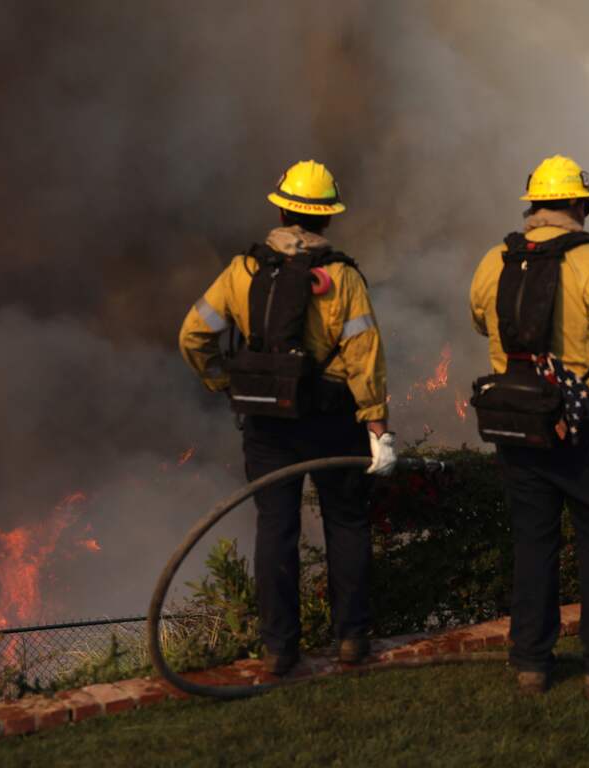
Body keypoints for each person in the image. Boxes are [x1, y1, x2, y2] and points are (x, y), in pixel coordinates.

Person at [179, 160, 395, 675]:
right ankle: (352, 641)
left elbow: (193, 335)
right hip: (330, 418)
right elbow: (365, 355)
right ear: (327, 219)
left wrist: (223, 382)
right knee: (346, 522)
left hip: (267, 421)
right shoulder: (341, 277)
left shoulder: (243, 271)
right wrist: (377, 425)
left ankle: (278, 649)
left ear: (279, 208)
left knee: (276, 527)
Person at [469, 155, 589, 700]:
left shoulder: (495, 260)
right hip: (588, 429)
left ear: (533, 206)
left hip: (519, 425)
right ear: (582, 205)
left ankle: (531, 663)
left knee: (532, 544)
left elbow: (479, 317)